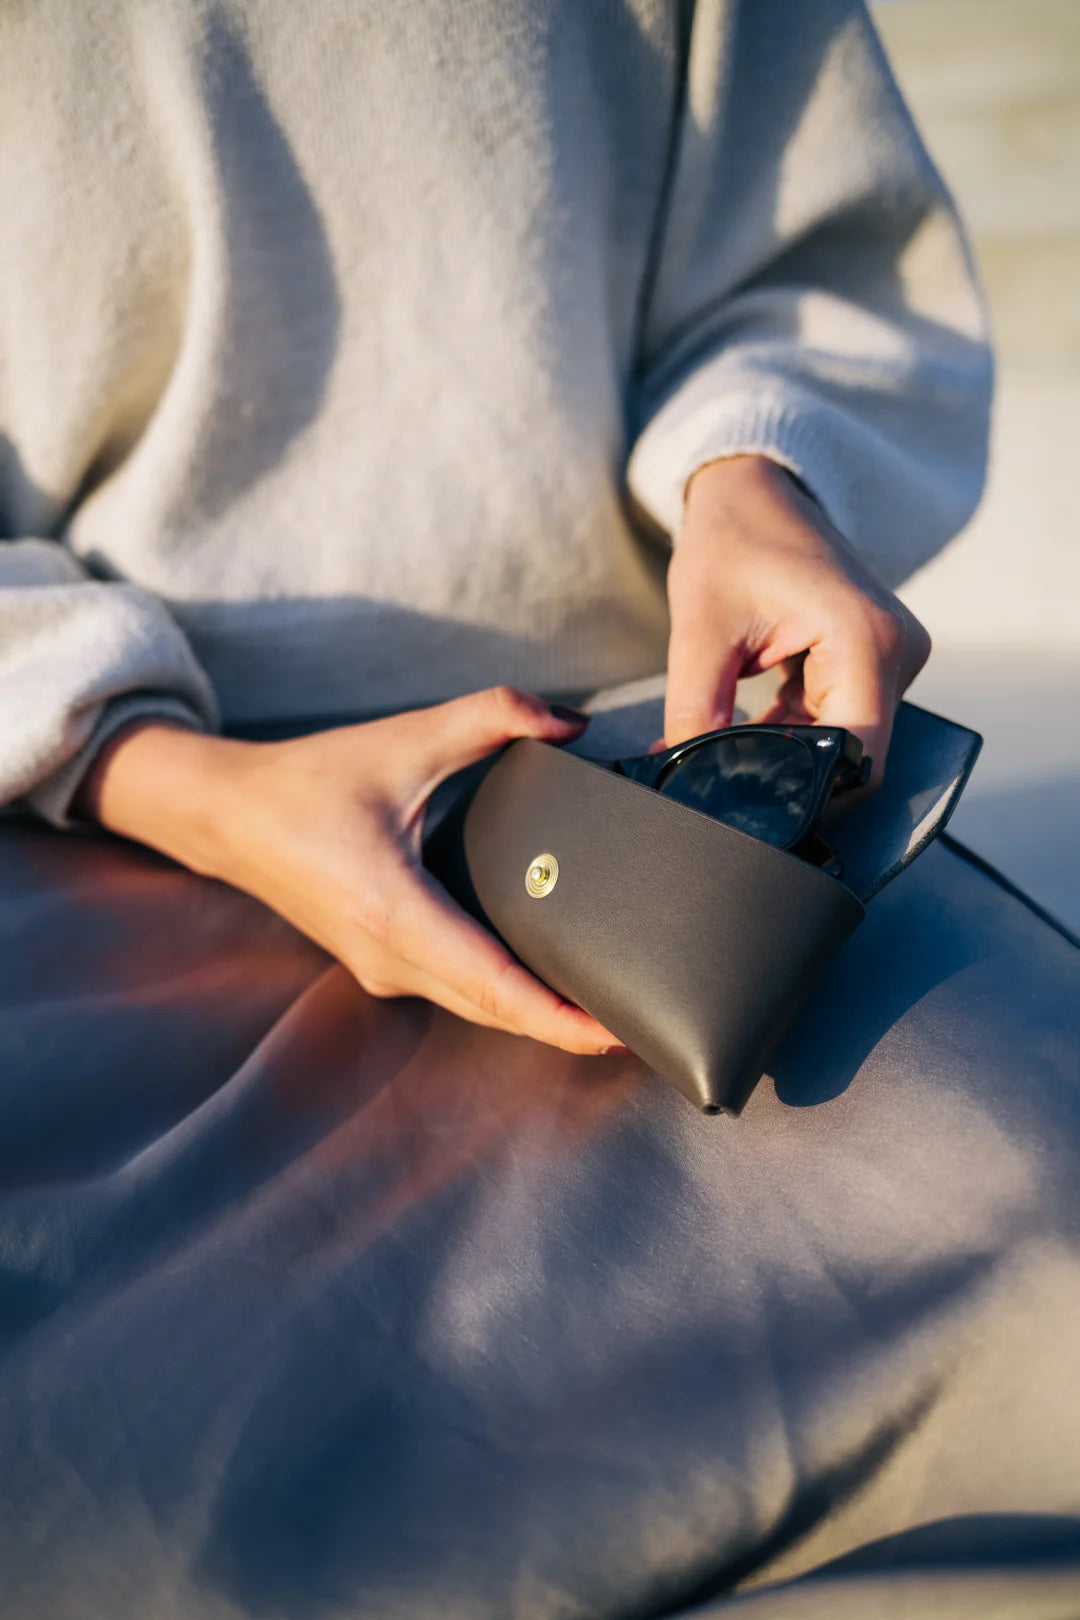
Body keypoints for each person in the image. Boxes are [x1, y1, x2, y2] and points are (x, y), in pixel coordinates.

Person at [6, 4, 1079, 1618]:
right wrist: (181, 777)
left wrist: (756, 482)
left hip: (629, 792)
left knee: (1041, 1227)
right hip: (91, 809)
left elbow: (820, 259)